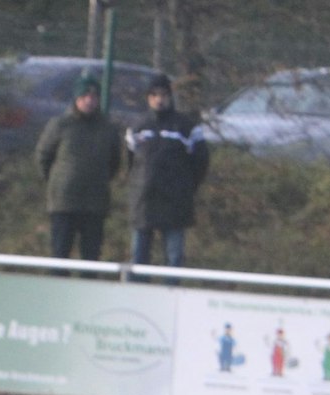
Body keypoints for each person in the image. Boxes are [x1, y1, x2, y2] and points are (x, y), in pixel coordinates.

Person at [126, 73, 210, 272]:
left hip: (175, 202)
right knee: (139, 257)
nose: (159, 99)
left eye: (163, 94)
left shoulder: (186, 127)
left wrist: (186, 188)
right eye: (154, 95)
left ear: (170, 97)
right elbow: (130, 163)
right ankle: (137, 296)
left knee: (174, 258)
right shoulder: (137, 127)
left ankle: (172, 296)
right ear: (148, 98)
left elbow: (200, 163)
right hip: (143, 201)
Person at [36, 76, 121, 261]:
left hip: (95, 204)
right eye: (85, 96)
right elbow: (43, 157)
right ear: (76, 98)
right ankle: (58, 290)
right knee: (60, 254)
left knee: (91, 258)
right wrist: (57, 182)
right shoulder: (60, 125)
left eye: (94, 97)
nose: (89, 101)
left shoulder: (108, 129)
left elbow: (115, 161)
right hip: (64, 203)